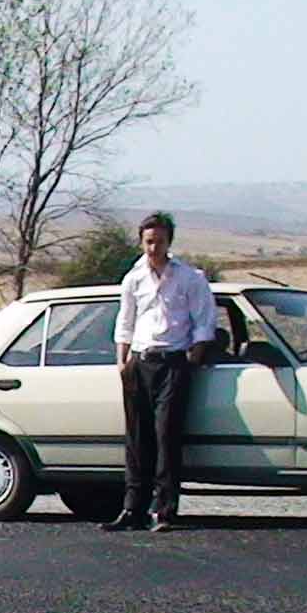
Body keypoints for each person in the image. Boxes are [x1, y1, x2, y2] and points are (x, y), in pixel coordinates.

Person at [113, 208, 222, 534]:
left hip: (173, 362)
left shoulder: (189, 278)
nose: (153, 248)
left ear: (169, 242)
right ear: (141, 242)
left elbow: (204, 320)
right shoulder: (133, 279)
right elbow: (125, 322)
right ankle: (132, 508)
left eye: (159, 242)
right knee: (137, 438)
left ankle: (164, 510)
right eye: (148, 242)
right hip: (140, 362)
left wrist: (195, 354)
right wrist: (122, 361)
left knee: (166, 435)